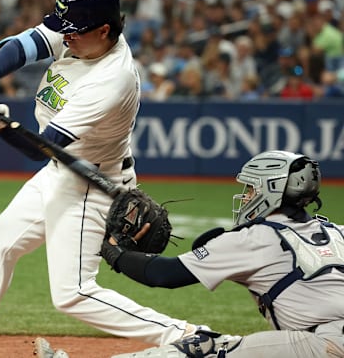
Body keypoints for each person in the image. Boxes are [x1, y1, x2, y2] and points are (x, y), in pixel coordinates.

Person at [0, 0, 208, 358]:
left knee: (73, 294)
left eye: (74, 32)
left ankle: (189, 334)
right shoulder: (82, 32)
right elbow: (22, 45)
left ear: (104, 29)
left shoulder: (110, 79)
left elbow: (42, 148)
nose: (64, 37)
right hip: (61, 170)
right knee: (0, 240)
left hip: (89, 180)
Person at [41, 150, 344, 358]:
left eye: (252, 188)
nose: (247, 196)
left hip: (324, 345)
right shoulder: (338, 231)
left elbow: (163, 275)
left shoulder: (255, 238)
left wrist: (113, 252)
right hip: (323, 342)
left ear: (272, 189)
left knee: (205, 348)